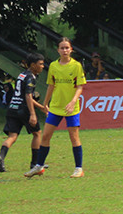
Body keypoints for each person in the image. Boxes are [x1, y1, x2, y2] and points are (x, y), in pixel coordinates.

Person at [25, 36, 87, 178]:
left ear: (71, 49)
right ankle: (39, 166)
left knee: (74, 137)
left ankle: (79, 169)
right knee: (46, 136)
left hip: (71, 108)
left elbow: (80, 87)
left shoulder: (76, 66)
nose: (65, 50)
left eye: (67, 47)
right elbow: (51, 86)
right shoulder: (53, 66)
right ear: (58, 50)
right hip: (56, 107)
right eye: (62, 48)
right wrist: (45, 103)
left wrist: (72, 102)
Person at [0, 53, 47, 173]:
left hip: (12, 107)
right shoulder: (31, 78)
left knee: (12, 136)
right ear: (33, 65)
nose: (42, 66)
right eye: (40, 64)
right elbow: (28, 96)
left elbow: (25, 96)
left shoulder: (22, 75)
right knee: (37, 133)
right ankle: (35, 164)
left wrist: (41, 107)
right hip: (23, 109)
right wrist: (33, 114)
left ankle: (0, 157)